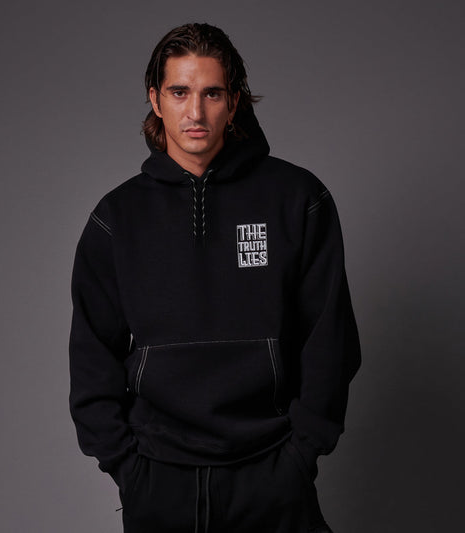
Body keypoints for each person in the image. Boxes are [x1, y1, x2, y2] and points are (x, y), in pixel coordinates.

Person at [68, 22, 361, 533]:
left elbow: (330, 337)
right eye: (179, 92)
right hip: (158, 477)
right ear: (156, 99)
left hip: (272, 471)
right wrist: (126, 466)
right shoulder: (117, 217)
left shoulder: (297, 199)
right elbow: (92, 352)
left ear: (235, 101)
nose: (195, 113)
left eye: (212, 93)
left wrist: (302, 453)